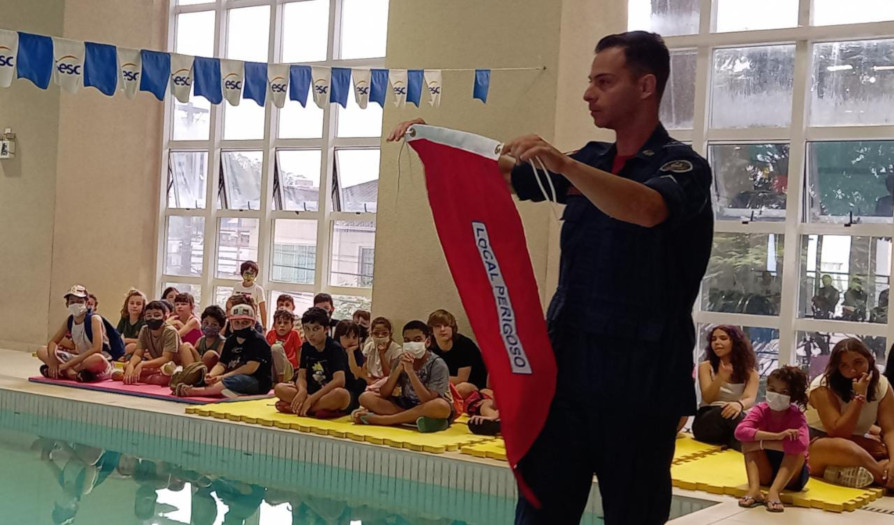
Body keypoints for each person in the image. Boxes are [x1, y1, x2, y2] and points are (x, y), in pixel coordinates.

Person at [388, 30, 713, 524]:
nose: (588, 93)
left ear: (646, 87)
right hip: (566, 372)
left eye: (604, 82)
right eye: (589, 82)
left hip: (639, 381)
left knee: (634, 513)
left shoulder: (683, 166)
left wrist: (562, 164)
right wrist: (437, 142)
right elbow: (502, 175)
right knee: (541, 510)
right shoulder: (593, 159)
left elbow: (647, 208)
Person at [807, 338, 894, 489]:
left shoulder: (883, 385)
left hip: (856, 440)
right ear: (837, 367)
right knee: (847, 448)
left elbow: (890, 430)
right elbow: (839, 433)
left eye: (858, 362)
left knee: (885, 449)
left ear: (869, 359)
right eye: (844, 366)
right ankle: (881, 475)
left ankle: (843, 472)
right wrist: (859, 398)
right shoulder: (822, 386)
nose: (852, 370)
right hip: (817, 444)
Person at [353, 320, 455, 432]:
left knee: (440, 406)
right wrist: (398, 370)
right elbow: (384, 392)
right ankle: (416, 420)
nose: (411, 344)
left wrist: (410, 372)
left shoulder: (437, 364)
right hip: (405, 405)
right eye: (407, 340)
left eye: (417, 340)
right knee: (365, 397)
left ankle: (385, 420)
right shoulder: (400, 359)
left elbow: (428, 399)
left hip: (429, 406)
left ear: (427, 341)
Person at [734, 366, 810, 513]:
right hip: (766, 469)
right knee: (748, 441)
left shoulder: (796, 416)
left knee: (796, 452)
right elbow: (740, 432)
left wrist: (761, 444)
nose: (776, 395)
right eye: (772, 389)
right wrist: (777, 437)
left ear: (793, 396)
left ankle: (774, 492)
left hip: (792, 476)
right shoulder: (760, 410)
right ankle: (754, 490)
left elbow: (801, 445)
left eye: (784, 392)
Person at [173, 304, 273, 398]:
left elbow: (250, 368)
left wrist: (222, 377)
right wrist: (211, 375)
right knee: (220, 380)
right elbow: (222, 364)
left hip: (257, 381)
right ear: (231, 323)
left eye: (245, 323)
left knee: (235, 380)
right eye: (237, 322)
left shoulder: (258, 341)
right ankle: (230, 391)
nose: (241, 326)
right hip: (231, 376)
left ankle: (196, 391)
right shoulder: (230, 340)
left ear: (253, 323)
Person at [273, 307, 353, 417]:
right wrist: (302, 391)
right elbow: (301, 376)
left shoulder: (335, 348)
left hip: (328, 392)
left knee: (341, 394)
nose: (311, 334)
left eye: (316, 329)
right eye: (307, 329)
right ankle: (311, 408)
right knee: (279, 388)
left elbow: (339, 381)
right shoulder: (306, 347)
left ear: (326, 329)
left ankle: (300, 408)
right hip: (312, 391)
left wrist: (311, 399)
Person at [692, 325, 759, 450]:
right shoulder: (705, 367)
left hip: (733, 420)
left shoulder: (751, 373)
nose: (717, 342)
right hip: (708, 420)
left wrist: (739, 404)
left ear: (735, 342)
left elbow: (749, 399)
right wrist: (720, 379)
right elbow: (708, 398)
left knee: (741, 419)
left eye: (723, 338)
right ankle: (754, 451)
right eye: (714, 339)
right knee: (730, 414)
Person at [38, 285, 116, 382]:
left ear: (87, 303)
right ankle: (73, 374)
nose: (76, 304)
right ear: (67, 304)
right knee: (41, 350)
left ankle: (63, 372)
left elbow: (97, 349)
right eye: (72, 302)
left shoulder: (94, 319)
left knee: (97, 359)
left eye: (80, 302)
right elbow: (53, 342)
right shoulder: (69, 320)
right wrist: (53, 361)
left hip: (96, 359)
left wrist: (66, 365)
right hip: (79, 360)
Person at [116, 300, 182, 386]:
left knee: (161, 378)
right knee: (126, 366)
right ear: (144, 318)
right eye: (149, 315)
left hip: (171, 367)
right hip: (155, 366)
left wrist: (142, 365)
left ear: (165, 317)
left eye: (157, 315)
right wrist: (131, 365)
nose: (152, 318)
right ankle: (137, 377)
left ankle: (133, 377)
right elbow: (138, 354)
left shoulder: (170, 331)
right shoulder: (144, 329)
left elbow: (166, 358)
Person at [427, 309, 487, 398]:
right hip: (443, 384)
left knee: (461, 389)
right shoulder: (430, 346)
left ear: (452, 328)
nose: (442, 329)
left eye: (446, 325)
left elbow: (461, 379)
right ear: (431, 330)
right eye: (438, 326)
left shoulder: (464, 344)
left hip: (473, 384)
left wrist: (433, 379)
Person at [334, 320, 369, 409]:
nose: (351, 340)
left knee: (361, 382)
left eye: (354, 337)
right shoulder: (333, 351)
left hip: (352, 392)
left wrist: (350, 354)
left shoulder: (357, 354)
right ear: (338, 337)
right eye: (347, 337)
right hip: (335, 388)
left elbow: (356, 375)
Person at [361, 316, 403, 383]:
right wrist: (369, 381)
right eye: (376, 333)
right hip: (371, 380)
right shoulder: (369, 346)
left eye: (384, 333)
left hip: (388, 383)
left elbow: (390, 375)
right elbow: (362, 368)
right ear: (371, 334)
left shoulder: (396, 350)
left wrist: (381, 354)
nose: (380, 336)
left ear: (390, 334)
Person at [266, 308, 302, 383]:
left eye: (286, 323)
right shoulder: (270, 334)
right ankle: (273, 381)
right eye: (279, 323)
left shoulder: (294, 334)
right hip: (272, 370)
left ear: (291, 325)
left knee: (276, 348)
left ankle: (281, 383)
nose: (282, 325)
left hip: (288, 370)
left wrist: (300, 370)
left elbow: (298, 352)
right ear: (274, 325)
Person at [233, 261, 267, 331]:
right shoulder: (237, 286)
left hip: (253, 323)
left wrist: (264, 328)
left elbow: (262, 310)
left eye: (252, 274)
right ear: (242, 274)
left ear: (255, 275)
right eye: (247, 273)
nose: (249, 276)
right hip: (237, 320)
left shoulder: (258, 289)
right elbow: (232, 303)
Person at [116, 288, 147, 361]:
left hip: (141, 347)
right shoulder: (124, 318)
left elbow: (143, 341)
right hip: (126, 346)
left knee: (132, 346)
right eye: (132, 303)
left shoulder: (144, 322)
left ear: (143, 307)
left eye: (138, 304)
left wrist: (126, 340)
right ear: (127, 305)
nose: (135, 306)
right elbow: (117, 334)